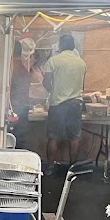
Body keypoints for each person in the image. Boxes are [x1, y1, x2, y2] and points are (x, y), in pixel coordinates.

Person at [42, 34, 87, 175]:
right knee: (74, 136)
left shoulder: (53, 61)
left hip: (57, 104)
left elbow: (46, 82)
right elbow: (82, 85)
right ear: (73, 46)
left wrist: (53, 91)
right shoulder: (82, 63)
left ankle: (49, 167)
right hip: (75, 104)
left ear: (60, 46)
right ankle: (72, 168)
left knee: (53, 136)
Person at [9, 38, 35, 148]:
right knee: (21, 142)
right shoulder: (24, 69)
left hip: (13, 110)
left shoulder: (11, 69)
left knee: (11, 141)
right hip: (23, 109)